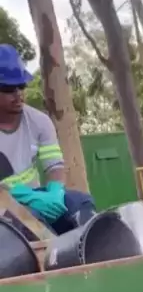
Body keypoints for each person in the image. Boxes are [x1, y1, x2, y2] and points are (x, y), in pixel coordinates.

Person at [0, 44, 95, 235]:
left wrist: (55, 191)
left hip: (35, 198)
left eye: (21, 86)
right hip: (4, 205)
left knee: (82, 203)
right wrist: (18, 196)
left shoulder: (39, 121)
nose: (18, 94)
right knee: (31, 224)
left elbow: (54, 166)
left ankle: (90, 245)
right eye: (9, 89)